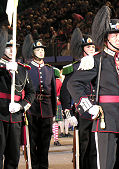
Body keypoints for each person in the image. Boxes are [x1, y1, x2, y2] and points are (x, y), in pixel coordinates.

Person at [67, 6, 119, 169]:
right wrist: (89, 107)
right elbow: (73, 84)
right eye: (115, 35)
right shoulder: (95, 60)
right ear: (106, 39)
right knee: (106, 164)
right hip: (106, 121)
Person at [60, 28, 96, 169]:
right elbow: (65, 93)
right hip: (81, 111)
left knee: (95, 147)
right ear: (82, 49)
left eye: (93, 46)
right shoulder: (73, 68)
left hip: (98, 110)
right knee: (83, 147)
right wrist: (68, 114)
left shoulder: (99, 65)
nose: (92, 49)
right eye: (88, 47)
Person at [0, 28, 35, 169]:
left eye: (13, 47)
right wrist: (4, 67)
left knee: (13, 155)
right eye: (8, 47)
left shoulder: (22, 69)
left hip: (15, 117)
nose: (11, 50)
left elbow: (31, 92)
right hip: (0, 115)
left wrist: (21, 105)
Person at [23, 35, 57, 169]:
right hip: (32, 109)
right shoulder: (26, 69)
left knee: (45, 143)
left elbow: (53, 92)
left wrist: (54, 111)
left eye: (42, 50)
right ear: (33, 52)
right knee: (32, 142)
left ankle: (43, 166)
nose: (41, 52)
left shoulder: (49, 69)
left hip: (47, 109)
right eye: (38, 50)